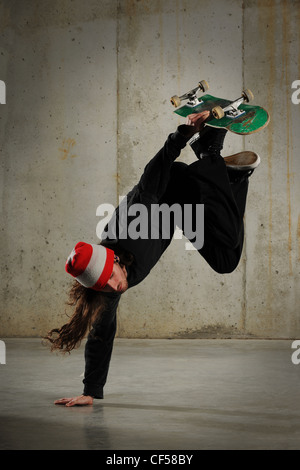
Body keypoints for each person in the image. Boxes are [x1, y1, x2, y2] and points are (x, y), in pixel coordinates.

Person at [44, 111, 260, 406]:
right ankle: (228, 175)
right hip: (179, 212)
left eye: (112, 275)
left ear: (116, 259)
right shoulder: (102, 289)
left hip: (180, 186)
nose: (115, 285)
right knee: (226, 261)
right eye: (106, 286)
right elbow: (100, 335)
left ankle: (209, 150)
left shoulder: (131, 224)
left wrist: (181, 135)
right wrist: (90, 391)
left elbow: (151, 176)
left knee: (228, 234)